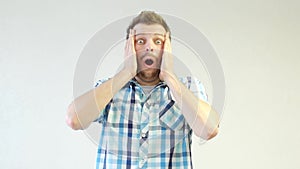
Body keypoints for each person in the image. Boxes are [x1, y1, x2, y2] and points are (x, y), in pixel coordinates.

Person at [66, 11, 220, 169]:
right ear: (129, 48)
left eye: (158, 41)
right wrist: (126, 73)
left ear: (168, 49)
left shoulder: (188, 87)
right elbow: (74, 119)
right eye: (140, 41)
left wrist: (170, 77)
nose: (149, 47)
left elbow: (209, 130)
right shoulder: (109, 88)